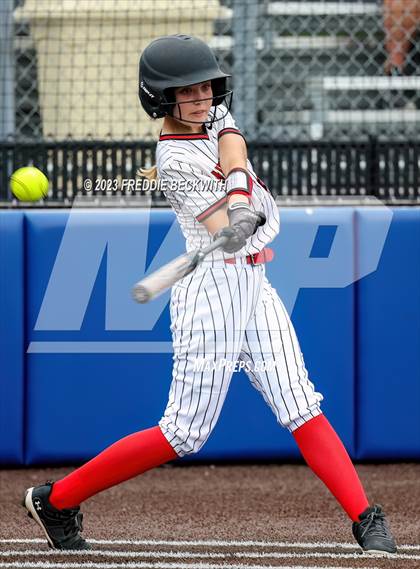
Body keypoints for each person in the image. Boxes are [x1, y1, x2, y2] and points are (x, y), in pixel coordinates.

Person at [22, 34, 397, 555]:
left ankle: (365, 518)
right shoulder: (173, 162)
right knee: (185, 432)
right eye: (188, 92)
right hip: (211, 290)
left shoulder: (212, 115)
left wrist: (240, 191)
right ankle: (56, 499)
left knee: (300, 403)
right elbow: (224, 227)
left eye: (207, 88)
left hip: (254, 284)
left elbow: (233, 141)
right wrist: (235, 219)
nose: (202, 99)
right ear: (161, 98)